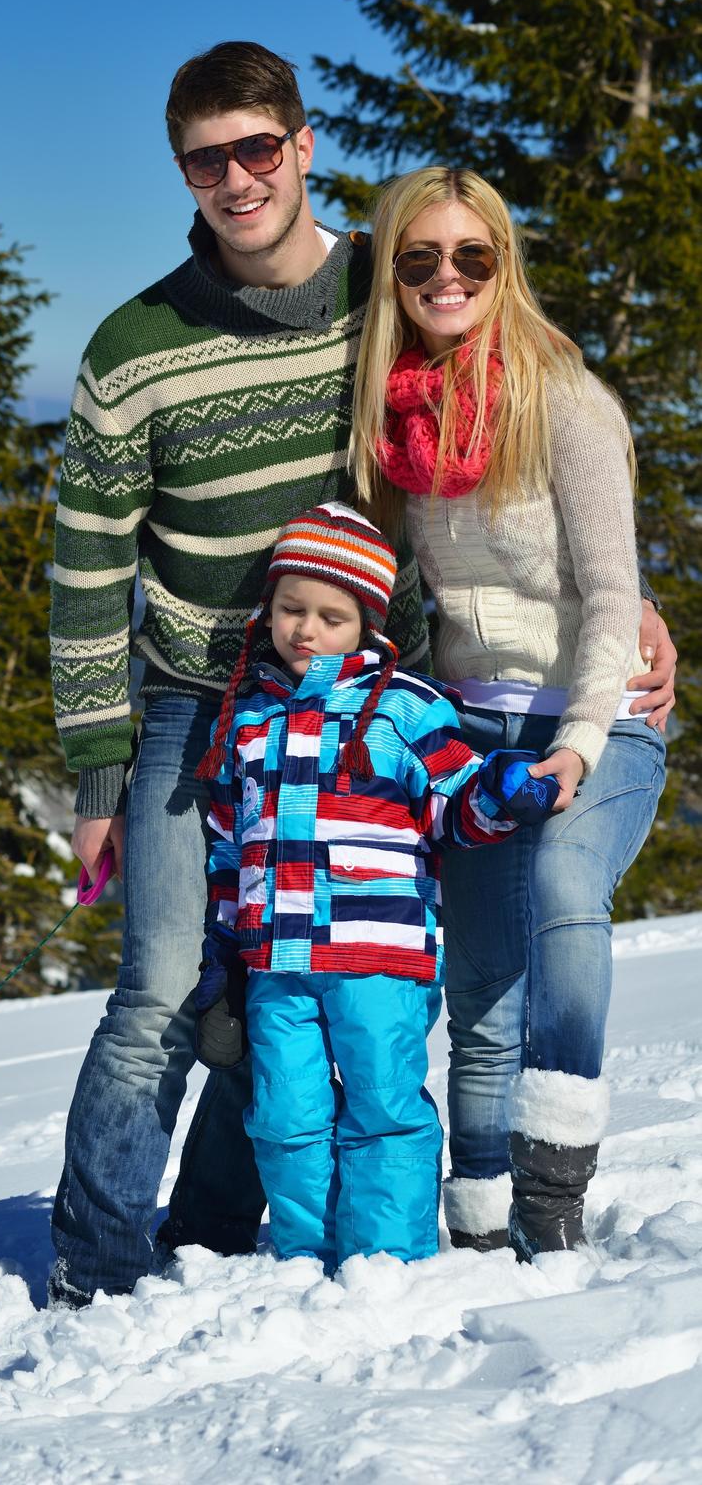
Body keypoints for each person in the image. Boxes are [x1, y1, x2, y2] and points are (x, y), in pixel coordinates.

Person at [46, 44, 674, 1305]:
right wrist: (98, 767)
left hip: (357, 709)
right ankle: (95, 1266)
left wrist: (633, 602)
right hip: (193, 704)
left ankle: (230, 1224)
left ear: (303, 145)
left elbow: (501, 423)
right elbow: (82, 566)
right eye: (206, 159)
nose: (236, 179)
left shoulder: (377, 289)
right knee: (171, 981)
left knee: (306, 964)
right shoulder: (135, 345)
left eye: (257, 149)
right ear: (182, 168)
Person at [350, 165, 669, 1259]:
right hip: (471, 726)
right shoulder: (394, 419)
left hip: (603, 709)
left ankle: (554, 1188)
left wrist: (582, 739)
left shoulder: (565, 399)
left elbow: (612, 592)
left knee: (562, 881)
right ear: (393, 274)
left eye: (472, 257)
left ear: (504, 265)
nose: (448, 277)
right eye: (421, 258)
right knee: (480, 978)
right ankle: (479, 1213)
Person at [191, 501, 547, 1267]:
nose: (305, 630)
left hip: (380, 958)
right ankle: (304, 1257)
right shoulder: (247, 721)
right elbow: (229, 846)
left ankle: (390, 1260)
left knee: (384, 1106)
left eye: (330, 616)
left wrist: (501, 792)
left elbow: (454, 807)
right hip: (277, 964)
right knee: (285, 1114)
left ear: (369, 624)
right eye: (291, 609)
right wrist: (223, 950)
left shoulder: (405, 709)